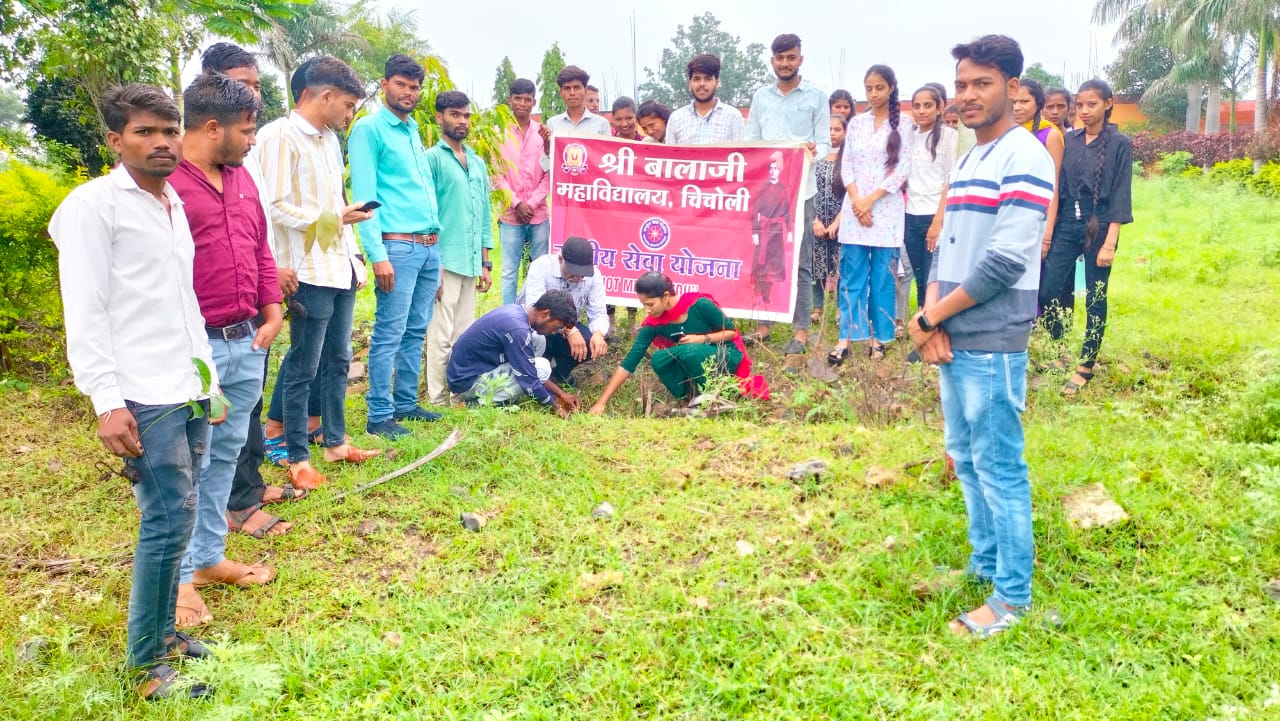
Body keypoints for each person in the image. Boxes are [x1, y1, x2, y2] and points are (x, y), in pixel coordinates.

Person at [50, 83, 223, 700]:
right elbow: (85, 310)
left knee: (183, 511)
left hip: (184, 382)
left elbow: (182, 301)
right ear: (115, 140)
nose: (161, 142)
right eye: (145, 131)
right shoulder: (93, 206)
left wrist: (208, 380)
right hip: (140, 391)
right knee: (166, 517)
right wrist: (106, 400)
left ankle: (164, 635)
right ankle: (147, 666)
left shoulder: (171, 202)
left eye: (170, 130)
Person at [909, 35, 1054, 638]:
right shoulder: (972, 158)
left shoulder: (1025, 157)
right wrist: (931, 312)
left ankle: (1012, 598)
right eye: (962, 84)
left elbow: (1003, 263)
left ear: (1013, 89)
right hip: (953, 330)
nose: (967, 95)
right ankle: (985, 563)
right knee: (966, 460)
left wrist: (930, 320)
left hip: (992, 335)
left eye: (982, 84)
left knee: (999, 468)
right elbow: (946, 246)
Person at [166, 73, 281, 629]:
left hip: (247, 339)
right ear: (213, 128)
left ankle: (208, 557)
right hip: (195, 348)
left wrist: (272, 308)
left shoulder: (241, 179)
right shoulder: (166, 185)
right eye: (247, 129)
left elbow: (260, 248)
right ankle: (178, 580)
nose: (253, 139)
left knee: (227, 453)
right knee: (187, 461)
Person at [258, 56, 382, 491]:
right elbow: (272, 205)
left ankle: (335, 442)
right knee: (302, 365)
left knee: (339, 359)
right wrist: (333, 218)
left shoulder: (329, 140)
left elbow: (335, 203)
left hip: (338, 266)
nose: (349, 114)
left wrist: (353, 253)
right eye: (347, 105)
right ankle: (297, 457)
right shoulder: (278, 136)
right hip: (306, 269)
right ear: (325, 96)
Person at [199, 43, 307, 538]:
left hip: (250, 314)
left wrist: (270, 302)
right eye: (243, 85)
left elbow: (256, 236)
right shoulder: (177, 179)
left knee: (247, 407)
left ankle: (246, 487)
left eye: (258, 86)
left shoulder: (242, 168)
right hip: (205, 328)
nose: (254, 95)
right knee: (212, 423)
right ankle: (231, 503)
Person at [348, 54, 444, 439]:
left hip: (428, 246)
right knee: (390, 330)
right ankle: (379, 414)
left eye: (414, 87)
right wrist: (378, 255)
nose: (408, 92)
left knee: (416, 328)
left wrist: (435, 251)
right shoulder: (369, 129)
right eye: (401, 84)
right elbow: (365, 198)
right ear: (384, 84)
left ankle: (405, 403)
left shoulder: (412, 130)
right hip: (397, 247)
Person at [1039, 79, 1133, 395]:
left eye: (1091, 104)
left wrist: (1110, 242)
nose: (1084, 110)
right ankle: (1060, 348)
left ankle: (1085, 365)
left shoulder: (1120, 143)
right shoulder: (1070, 140)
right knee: (1048, 289)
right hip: (1068, 220)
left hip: (1101, 223)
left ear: (1108, 103)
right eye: (1079, 105)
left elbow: (1121, 194)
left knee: (1095, 296)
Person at [745, 33, 829, 356]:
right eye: (780, 58)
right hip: (765, 193)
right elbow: (752, 141)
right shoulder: (760, 97)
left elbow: (825, 142)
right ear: (772, 61)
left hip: (801, 192)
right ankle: (762, 327)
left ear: (800, 60)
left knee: (800, 260)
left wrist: (813, 150)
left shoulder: (816, 97)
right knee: (761, 258)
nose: (785, 63)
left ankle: (801, 330)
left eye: (790, 57)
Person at [589, 273, 769, 414]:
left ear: (666, 296)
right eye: (643, 305)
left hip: (725, 355)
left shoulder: (699, 305)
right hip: (694, 358)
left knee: (689, 350)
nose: (647, 310)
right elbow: (629, 363)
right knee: (659, 358)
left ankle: (718, 395)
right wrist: (601, 402)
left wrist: (702, 339)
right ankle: (691, 397)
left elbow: (731, 333)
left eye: (650, 304)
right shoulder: (653, 324)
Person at [830, 64, 913, 363]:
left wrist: (870, 201)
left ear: (891, 88)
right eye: (869, 88)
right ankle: (847, 336)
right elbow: (847, 165)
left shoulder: (904, 124)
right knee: (852, 276)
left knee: (882, 278)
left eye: (879, 87)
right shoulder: (856, 124)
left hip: (886, 211)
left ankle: (879, 338)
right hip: (855, 211)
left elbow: (902, 169)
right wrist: (857, 201)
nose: (874, 93)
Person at [424, 91, 495, 406]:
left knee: (464, 335)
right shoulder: (432, 159)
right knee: (440, 334)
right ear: (439, 117)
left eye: (466, 115)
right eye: (455, 114)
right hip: (444, 259)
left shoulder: (477, 162)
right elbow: (428, 212)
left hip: (471, 260)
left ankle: (458, 395)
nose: (462, 121)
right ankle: (437, 397)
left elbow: (484, 215)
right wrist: (433, 262)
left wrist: (486, 263)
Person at [447, 290, 580, 414]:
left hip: (471, 372)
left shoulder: (517, 312)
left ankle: (499, 396)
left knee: (538, 341)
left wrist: (561, 394)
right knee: (543, 367)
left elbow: (529, 370)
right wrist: (556, 407)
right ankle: (471, 404)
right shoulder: (518, 330)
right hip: (466, 384)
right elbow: (529, 379)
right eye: (556, 327)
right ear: (545, 314)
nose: (554, 332)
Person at [518, 236, 609, 384]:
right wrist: (570, 330)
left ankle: (559, 372)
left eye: (582, 273)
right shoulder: (541, 266)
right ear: (560, 259)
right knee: (541, 335)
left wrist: (598, 334)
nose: (578, 277)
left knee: (589, 342)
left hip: (565, 324)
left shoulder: (595, 276)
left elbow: (598, 312)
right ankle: (536, 372)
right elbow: (537, 309)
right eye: (573, 272)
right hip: (537, 324)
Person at [494, 78, 550, 304]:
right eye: (518, 99)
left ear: (534, 102)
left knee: (540, 269)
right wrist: (517, 203)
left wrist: (532, 203)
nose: (523, 104)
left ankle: (535, 312)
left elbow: (550, 173)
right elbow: (496, 175)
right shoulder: (498, 133)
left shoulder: (543, 134)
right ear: (510, 100)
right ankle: (508, 315)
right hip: (510, 214)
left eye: (528, 99)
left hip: (539, 215)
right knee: (509, 271)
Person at [904, 85, 958, 313]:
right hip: (911, 215)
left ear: (939, 108)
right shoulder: (908, 137)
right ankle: (922, 319)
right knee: (919, 276)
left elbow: (951, 180)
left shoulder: (949, 137)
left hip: (935, 215)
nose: (921, 110)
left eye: (928, 105)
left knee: (933, 276)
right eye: (916, 106)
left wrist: (938, 220)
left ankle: (933, 320)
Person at [810, 113, 848, 323]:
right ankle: (817, 308)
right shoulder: (814, 157)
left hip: (841, 222)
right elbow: (807, 190)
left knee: (841, 266)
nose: (832, 133)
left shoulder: (849, 158)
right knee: (817, 265)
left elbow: (851, 194)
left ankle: (840, 309)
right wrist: (814, 219)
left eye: (837, 129)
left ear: (845, 132)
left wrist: (838, 221)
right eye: (829, 129)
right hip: (816, 220)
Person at [666, 53, 746, 145]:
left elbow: (742, 152)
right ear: (689, 83)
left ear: (717, 83)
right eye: (697, 79)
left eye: (708, 79)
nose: (702, 84)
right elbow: (669, 152)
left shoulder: (733, 117)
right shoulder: (676, 118)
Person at [748, 151, 794, 306]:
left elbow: (787, 211)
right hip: (763, 230)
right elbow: (755, 212)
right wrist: (755, 232)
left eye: (776, 168)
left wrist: (789, 231)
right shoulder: (762, 187)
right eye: (771, 168)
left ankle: (766, 296)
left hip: (776, 232)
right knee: (760, 264)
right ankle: (757, 296)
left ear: (779, 170)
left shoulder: (783, 189)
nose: (773, 171)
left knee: (773, 266)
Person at [540, 66, 611, 158]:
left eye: (576, 88)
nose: (572, 93)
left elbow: (607, 157)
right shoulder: (553, 123)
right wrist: (546, 142)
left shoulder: (602, 124)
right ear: (561, 92)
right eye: (567, 88)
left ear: (585, 91)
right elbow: (548, 160)